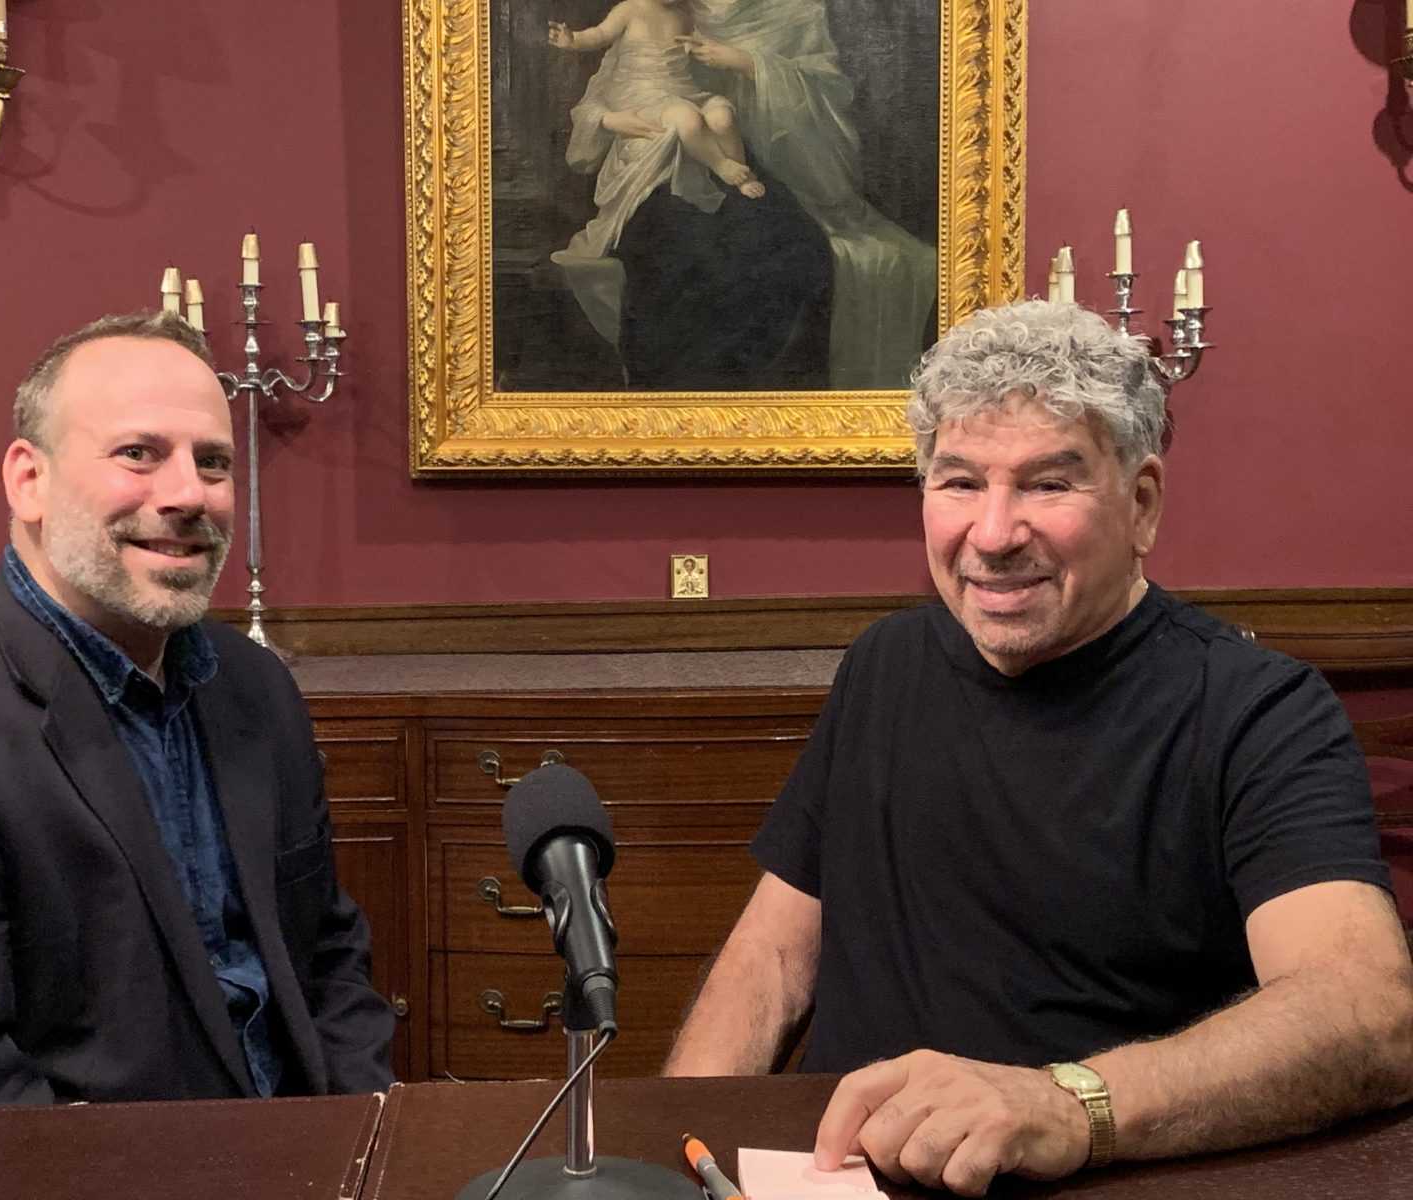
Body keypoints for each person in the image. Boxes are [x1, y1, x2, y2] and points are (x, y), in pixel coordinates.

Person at [663, 300, 1413, 1195]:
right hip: (839, 1174)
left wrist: (1067, 1107)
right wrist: (678, 1144)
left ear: (1142, 504)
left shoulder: (1258, 711)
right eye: (959, 482)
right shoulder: (884, 664)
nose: (992, 535)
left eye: (1048, 485)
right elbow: (775, 959)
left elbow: (1367, 1014)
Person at [0, 312, 395, 1110]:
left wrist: (365, 1129)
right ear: (29, 480)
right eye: (138, 454)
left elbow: (329, 957)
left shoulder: (257, 689)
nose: (188, 494)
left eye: (213, 462)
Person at [553, 0, 936, 391]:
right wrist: (609, 119)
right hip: (661, 165)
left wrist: (747, 62)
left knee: (797, 250)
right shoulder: (662, 8)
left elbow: (827, 90)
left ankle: (777, 405)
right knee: (683, 259)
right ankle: (678, 401)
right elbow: (613, 83)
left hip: (741, 158)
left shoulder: (792, 10)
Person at [547, 0, 768, 236]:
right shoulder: (630, 9)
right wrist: (573, 39)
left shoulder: (685, 13)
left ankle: (744, 175)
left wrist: (698, 47)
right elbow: (600, 34)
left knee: (722, 115)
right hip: (640, 94)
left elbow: (699, 43)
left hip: (681, 89)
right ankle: (721, 164)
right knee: (687, 118)